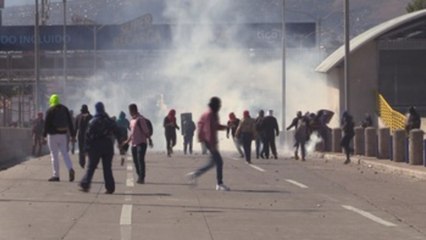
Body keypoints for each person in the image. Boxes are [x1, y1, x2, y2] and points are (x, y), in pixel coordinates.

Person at [186, 97, 230, 191]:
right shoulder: (210, 115)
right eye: (218, 105)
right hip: (209, 140)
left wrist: (226, 127)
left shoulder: (214, 114)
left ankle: (195, 174)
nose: (219, 107)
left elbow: (215, 126)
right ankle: (219, 183)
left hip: (209, 140)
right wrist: (212, 145)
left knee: (212, 163)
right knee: (219, 162)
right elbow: (208, 130)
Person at [79, 102, 123, 194]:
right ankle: (110, 188)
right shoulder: (109, 120)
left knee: (91, 167)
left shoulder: (92, 121)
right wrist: (120, 143)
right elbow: (118, 131)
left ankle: (85, 184)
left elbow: (88, 136)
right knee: (107, 167)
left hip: (95, 146)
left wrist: (86, 149)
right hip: (108, 145)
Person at [43, 94, 76, 182]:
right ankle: (70, 168)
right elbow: (70, 122)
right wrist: (73, 134)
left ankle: (56, 175)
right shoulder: (65, 109)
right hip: (63, 135)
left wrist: (44, 135)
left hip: (52, 135)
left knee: (54, 155)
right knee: (65, 153)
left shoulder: (50, 110)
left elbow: (46, 124)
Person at [123, 104, 150, 184]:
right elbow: (132, 134)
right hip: (134, 144)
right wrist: (127, 142)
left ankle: (142, 178)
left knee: (140, 160)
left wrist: (150, 139)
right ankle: (139, 175)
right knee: (135, 161)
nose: (130, 112)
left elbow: (146, 131)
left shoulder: (140, 119)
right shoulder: (132, 121)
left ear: (133, 110)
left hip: (141, 143)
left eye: (130, 110)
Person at [74, 104, 93, 168]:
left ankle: (91, 163)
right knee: (81, 150)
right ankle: (82, 162)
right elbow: (75, 127)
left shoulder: (91, 117)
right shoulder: (78, 117)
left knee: (90, 150)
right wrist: (73, 136)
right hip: (81, 136)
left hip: (89, 137)